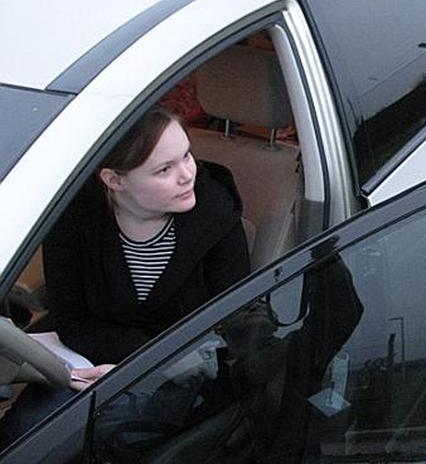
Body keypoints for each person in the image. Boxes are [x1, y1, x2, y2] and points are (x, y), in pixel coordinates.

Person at [0, 107, 250, 445]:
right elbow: (71, 321)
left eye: (187, 155)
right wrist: (124, 363)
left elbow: (236, 327)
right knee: (24, 433)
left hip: (193, 374)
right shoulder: (72, 216)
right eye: (165, 169)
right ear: (114, 180)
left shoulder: (217, 214)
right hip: (92, 364)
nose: (187, 174)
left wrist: (139, 366)